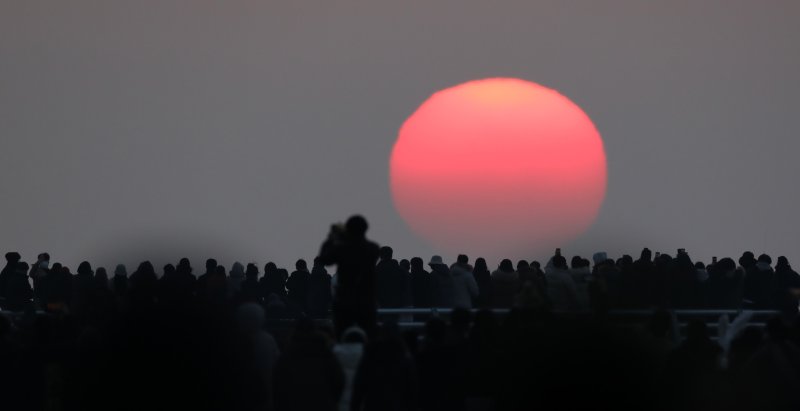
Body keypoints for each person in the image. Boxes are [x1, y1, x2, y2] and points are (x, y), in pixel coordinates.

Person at [318, 215, 381, 338]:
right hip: (366, 301)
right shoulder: (373, 248)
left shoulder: (341, 249)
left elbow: (324, 259)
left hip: (345, 300)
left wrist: (331, 238)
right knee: (369, 336)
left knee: (341, 335)